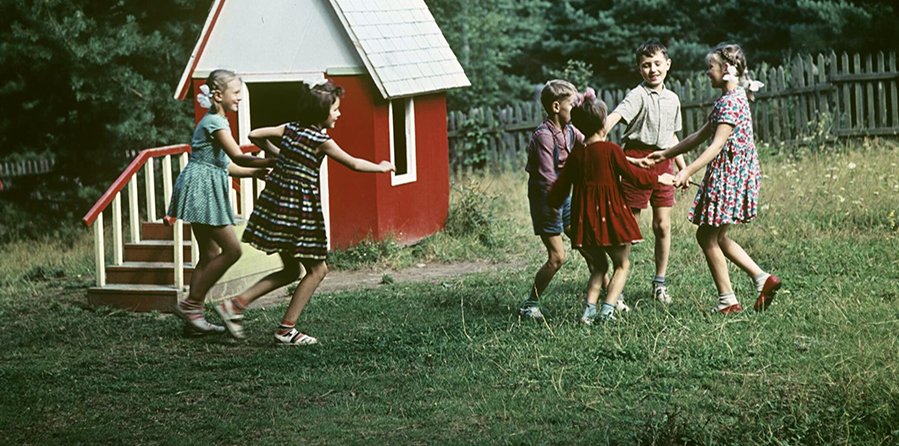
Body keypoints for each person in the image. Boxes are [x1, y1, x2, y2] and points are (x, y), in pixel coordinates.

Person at [214, 81, 394, 345]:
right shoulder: (322, 140)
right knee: (318, 270)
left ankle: (235, 305)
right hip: (299, 212)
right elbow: (354, 163)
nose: (338, 114)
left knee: (290, 271)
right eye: (335, 109)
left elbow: (254, 135)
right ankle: (285, 330)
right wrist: (381, 166)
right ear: (321, 113)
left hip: (278, 207)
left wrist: (279, 155)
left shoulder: (290, 128)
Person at [643, 43, 781, 314]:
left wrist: (685, 171)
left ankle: (728, 300)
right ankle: (760, 279)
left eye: (711, 67)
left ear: (727, 70)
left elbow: (716, 145)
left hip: (728, 176)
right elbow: (699, 136)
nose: (707, 73)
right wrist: (664, 155)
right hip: (730, 175)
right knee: (715, 235)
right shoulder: (730, 98)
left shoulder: (730, 103)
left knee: (707, 236)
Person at [550, 88, 674, 324]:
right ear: (603, 124)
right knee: (622, 264)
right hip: (611, 218)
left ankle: (589, 312)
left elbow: (561, 186)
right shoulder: (612, 150)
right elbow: (633, 176)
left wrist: (552, 203)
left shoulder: (577, 154)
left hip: (585, 222)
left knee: (599, 267)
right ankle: (607, 310)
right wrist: (659, 178)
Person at [167, 69, 274, 336]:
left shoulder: (216, 122)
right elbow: (238, 157)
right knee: (232, 250)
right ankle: (191, 305)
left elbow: (225, 166)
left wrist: (256, 172)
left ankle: (194, 319)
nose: (239, 98)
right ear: (218, 95)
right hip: (201, 189)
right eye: (236, 93)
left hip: (202, 184)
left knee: (210, 254)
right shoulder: (215, 122)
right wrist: (273, 161)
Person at [603, 39, 686, 305]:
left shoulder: (673, 99)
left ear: (668, 65)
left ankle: (659, 284)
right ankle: (618, 287)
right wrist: (599, 131)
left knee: (663, 225)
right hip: (636, 160)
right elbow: (617, 115)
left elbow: (673, 137)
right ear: (640, 69)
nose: (652, 70)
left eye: (657, 64)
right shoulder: (637, 95)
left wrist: (683, 168)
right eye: (646, 65)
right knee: (629, 227)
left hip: (664, 162)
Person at [519, 79, 589, 321]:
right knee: (557, 257)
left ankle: (608, 293)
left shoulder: (570, 130)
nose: (577, 109)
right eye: (573, 104)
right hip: (546, 199)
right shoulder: (544, 136)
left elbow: (592, 143)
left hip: (563, 194)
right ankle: (530, 304)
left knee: (585, 243)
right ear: (557, 107)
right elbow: (548, 176)